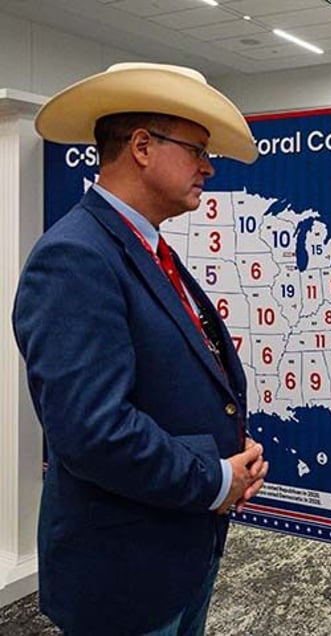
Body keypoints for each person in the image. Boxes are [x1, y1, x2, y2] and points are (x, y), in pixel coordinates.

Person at [13, 62, 269, 636]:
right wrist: (214, 479)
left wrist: (230, 445)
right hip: (122, 574)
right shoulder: (75, 257)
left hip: (175, 552)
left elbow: (171, 378)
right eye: (197, 149)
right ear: (143, 147)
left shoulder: (145, 248)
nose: (207, 167)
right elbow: (93, 432)